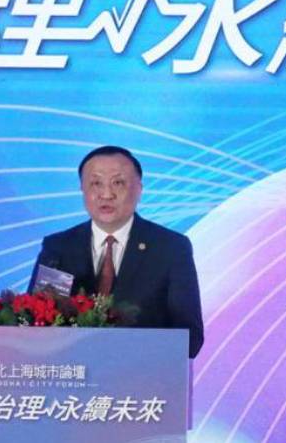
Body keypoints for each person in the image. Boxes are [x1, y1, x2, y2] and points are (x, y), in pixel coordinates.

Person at [29, 145, 205, 358]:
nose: (106, 194)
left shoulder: (170, 248)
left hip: (142, 375)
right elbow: (34, 327)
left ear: (139, 189)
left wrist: (124, 353)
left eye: (118, 183)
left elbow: (190, 339)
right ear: (82, 189)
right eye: (96, 183)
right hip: (72, 374)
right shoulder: (58, 248)